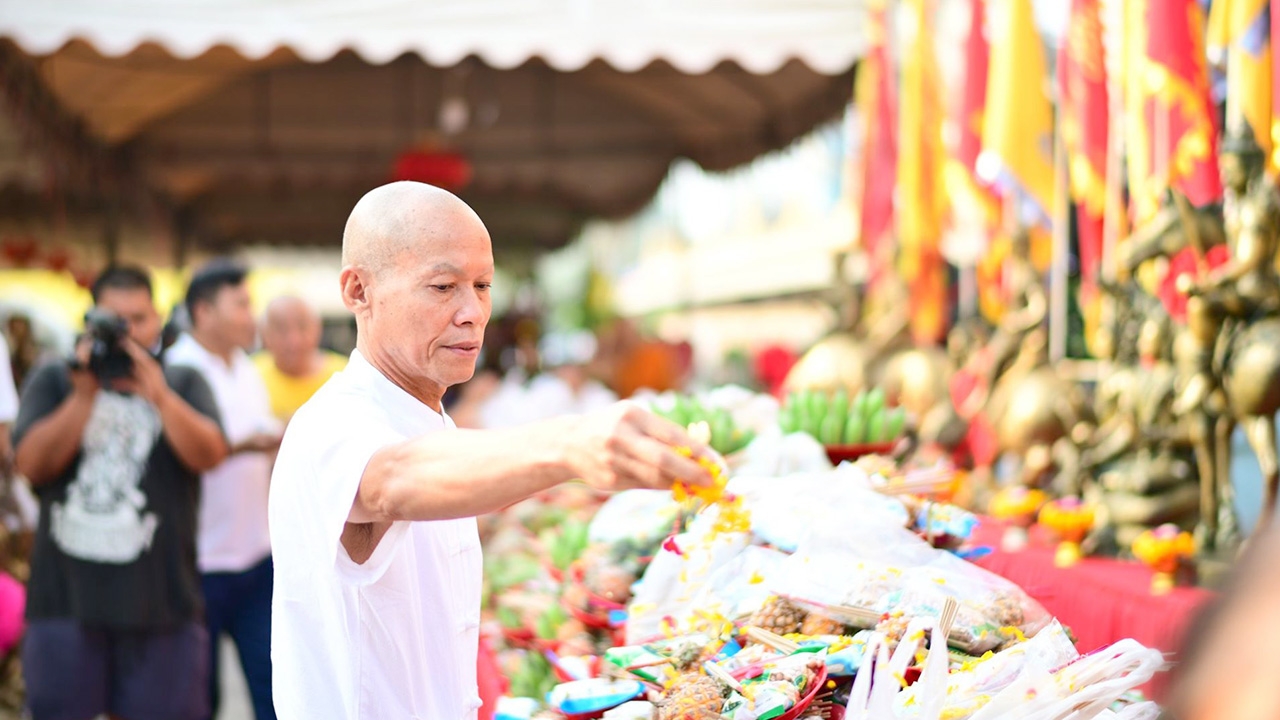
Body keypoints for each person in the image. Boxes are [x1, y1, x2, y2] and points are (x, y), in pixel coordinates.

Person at [270, 181, 714, 719]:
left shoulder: (428, 421)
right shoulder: (333, 422)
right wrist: (569, 445)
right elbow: (392, 483)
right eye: (442, 287)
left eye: (482, 286)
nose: (472, 312)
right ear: (358, 290)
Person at [12, 266, 226, 720]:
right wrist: (83, 397)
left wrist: (160, 397)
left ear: (157, 321)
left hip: (163, 607)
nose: (126, 331)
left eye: (137, 319)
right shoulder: (57, 379)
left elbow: (210, 454)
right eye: (113, 319)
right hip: (65, 604)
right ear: (90, 322)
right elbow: (30, 464)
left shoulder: (183, 380)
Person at [165, 261, 279, 720]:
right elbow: (188, 451)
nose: (252, 316)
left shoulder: (246, 368)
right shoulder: (175, 372)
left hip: (257, 555)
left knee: (273, 687)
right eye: (242, 305)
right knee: (198, 698)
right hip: (200, 563)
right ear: (204, 311)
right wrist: (246, 444)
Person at [253, 295, 347, 424]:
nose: (294, 340)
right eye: (282, 330)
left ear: (318, 328)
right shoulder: (249, 374)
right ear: (264, 333)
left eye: (302, 327)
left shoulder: (345, 374)